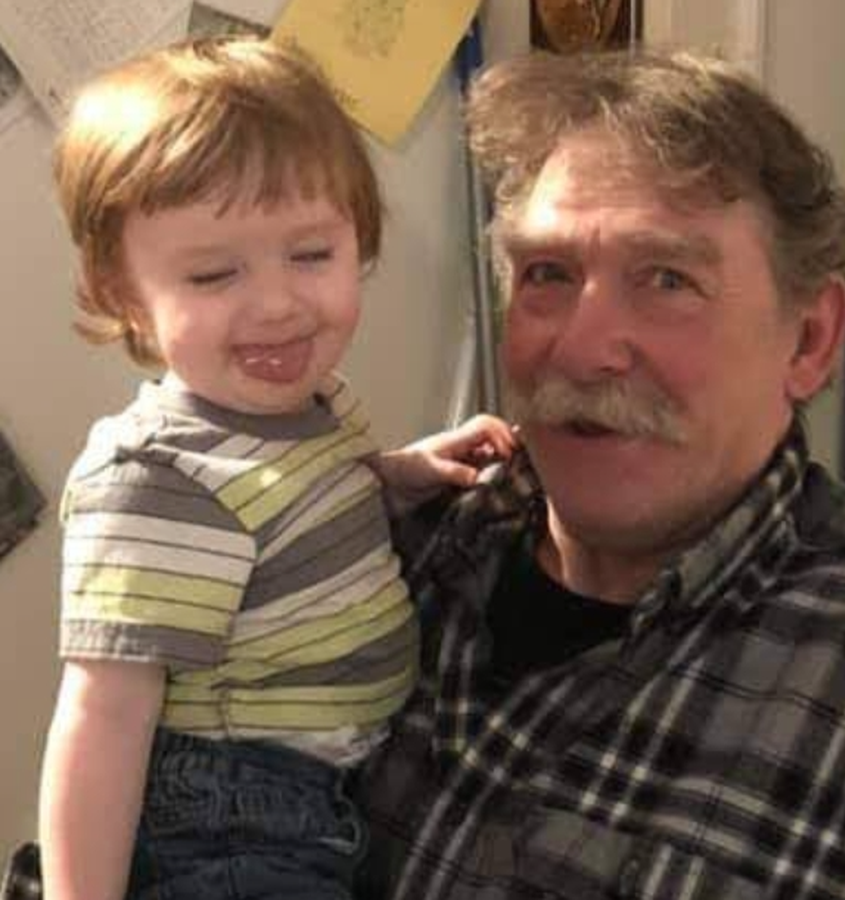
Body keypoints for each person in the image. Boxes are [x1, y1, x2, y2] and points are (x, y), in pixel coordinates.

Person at [354, 49, 845, 900]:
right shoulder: (399, 550)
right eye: (548, 274)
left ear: (810, 340)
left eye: (667, 280)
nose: (579, 348)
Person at [38, 36, 512, 900]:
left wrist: (401, 472)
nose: (278, 304)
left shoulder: (308, 407)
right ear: (123, 293)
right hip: (231, 813)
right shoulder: (159, 481)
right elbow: (101, 720)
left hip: (340, 786)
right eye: (214, 274)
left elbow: (298, 510)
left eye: (311, 254)